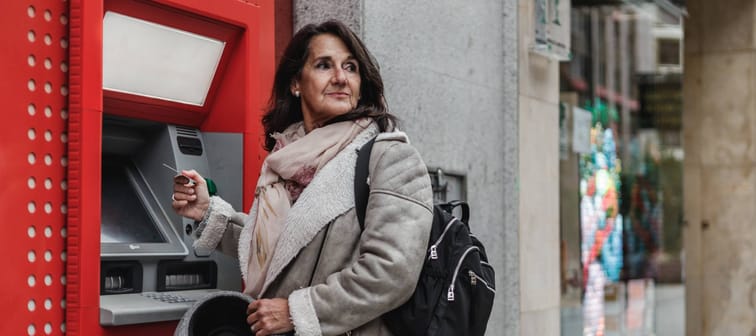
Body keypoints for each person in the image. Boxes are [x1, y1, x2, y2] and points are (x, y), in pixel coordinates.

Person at [171, 20, 433, 336]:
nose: (340, 77)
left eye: (350, 67)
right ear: (296, 83)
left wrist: (299, 311)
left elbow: (391, 272)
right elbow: (282, 253)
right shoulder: (286, 160)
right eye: (324, 65)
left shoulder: (389, 157)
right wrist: (207, 212)